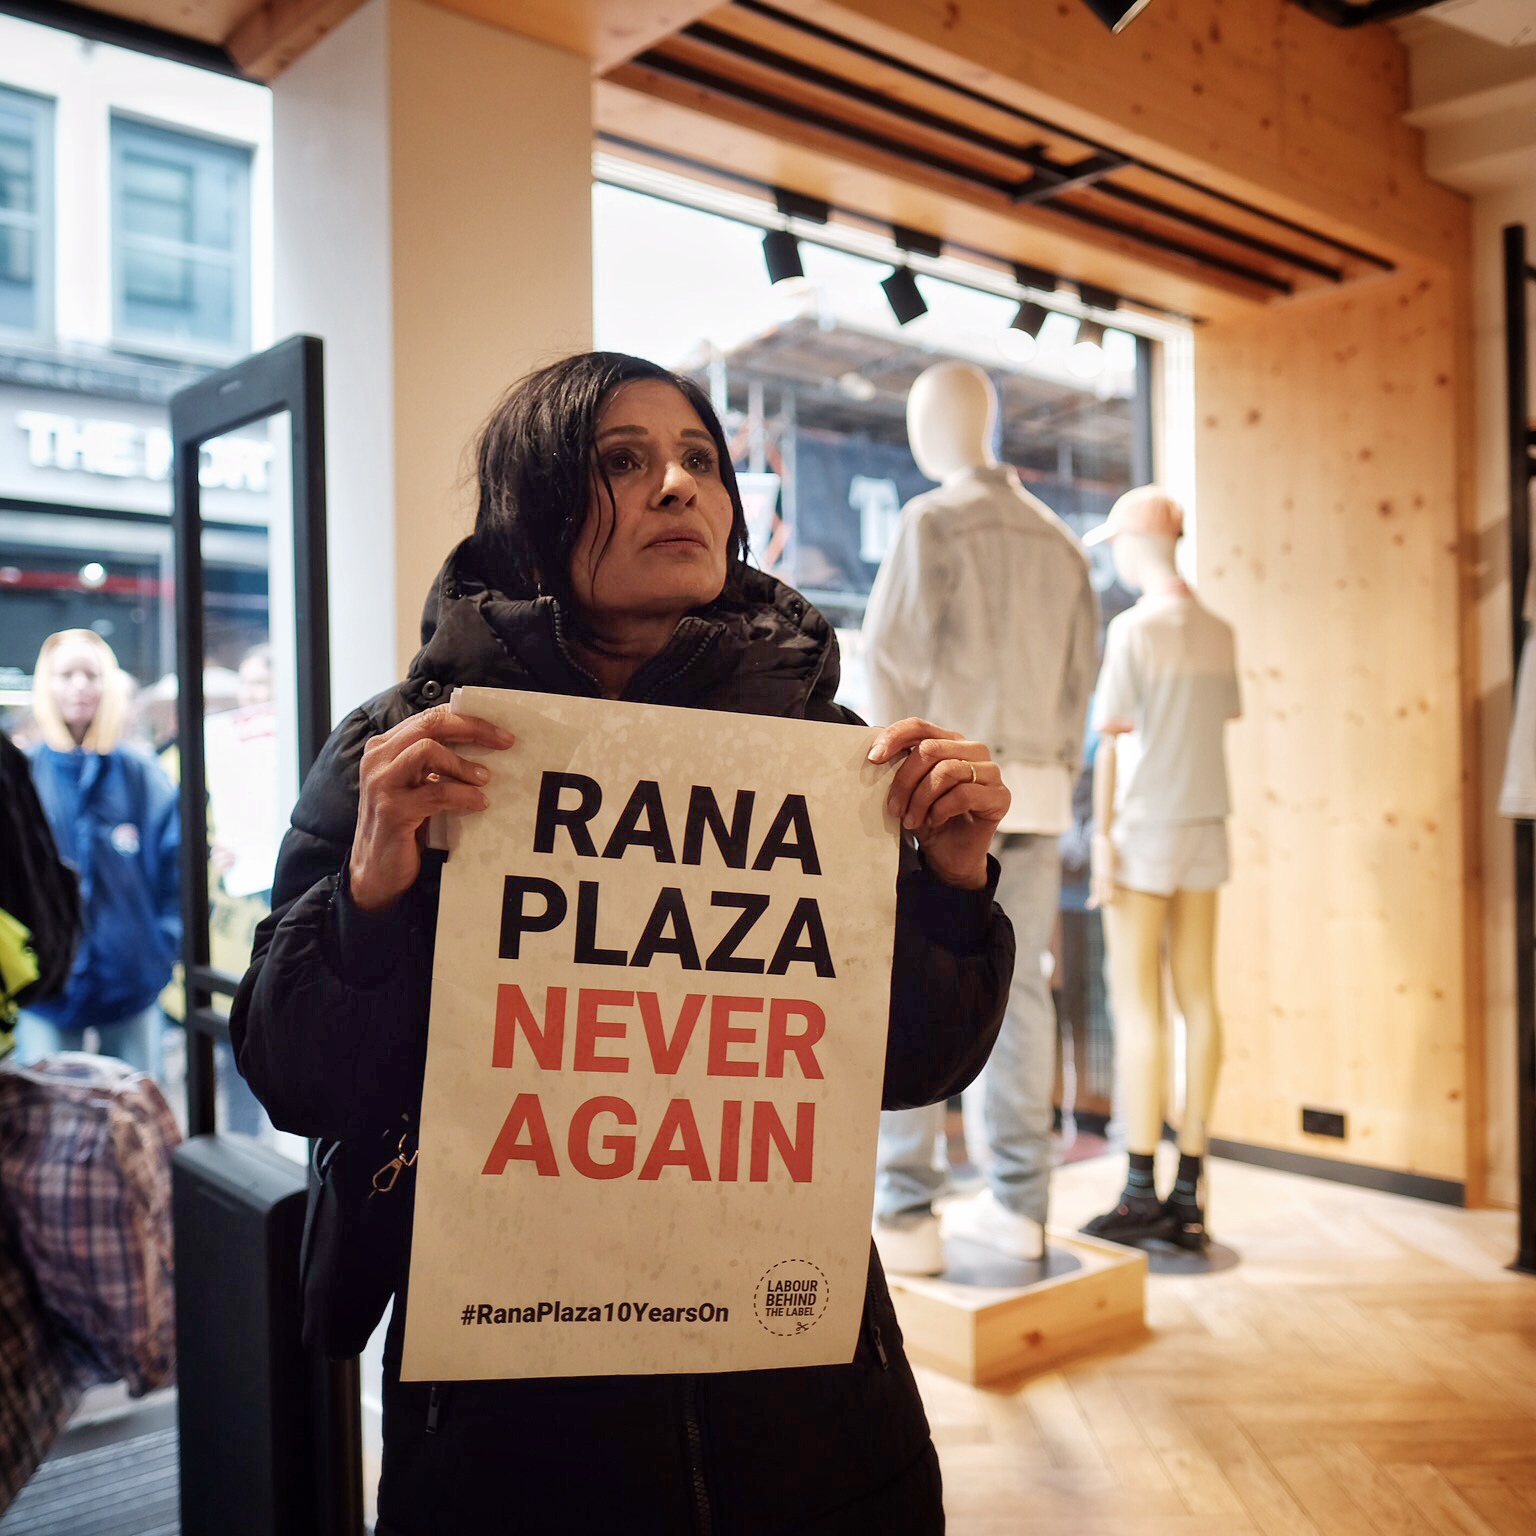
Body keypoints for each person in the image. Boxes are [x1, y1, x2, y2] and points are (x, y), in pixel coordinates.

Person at [230, 352, 1016, 1535]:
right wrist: (369, 893)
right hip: (514, 1438)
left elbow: (914, 1069)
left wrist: (954, 884)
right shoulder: (408, 750)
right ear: (532, 503)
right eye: (622, 461)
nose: (679, 485)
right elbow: (296, 1077)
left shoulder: (829, 755)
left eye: (701, 459)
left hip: (809, 1418)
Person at [863, 361, 1099, 1274]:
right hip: (1036, 789)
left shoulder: (932, 522)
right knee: (1021, 990)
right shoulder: (1063, 544)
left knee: (915, 980)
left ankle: (908, 1211)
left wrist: (885, 788)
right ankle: (1021, 1206)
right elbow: (1079, 684)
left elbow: (890, 665)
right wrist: (1053, 769)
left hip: (940, 794)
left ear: (937, 428)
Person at [1082, 487, 1240, 1249]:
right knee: (1200, 999)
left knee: (1137, 1005)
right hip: (1207, 825)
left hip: (1145, 830)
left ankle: (1140, 1189)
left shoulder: (1134, 630)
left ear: (1135, 543)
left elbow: (1114, 746)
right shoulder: (1219, 630)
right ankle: (1190, 1189)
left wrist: (1103, 839)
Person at [15, 632, 179, 1080]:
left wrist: (161, 945)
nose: (80, 686)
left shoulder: (140, 774)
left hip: (131, 981)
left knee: (134, 1110)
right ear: (45, 685)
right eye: (65, 674)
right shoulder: (23, 774)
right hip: (45, 986)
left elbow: (177, 868)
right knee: (45, 1112)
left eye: (91, 674)